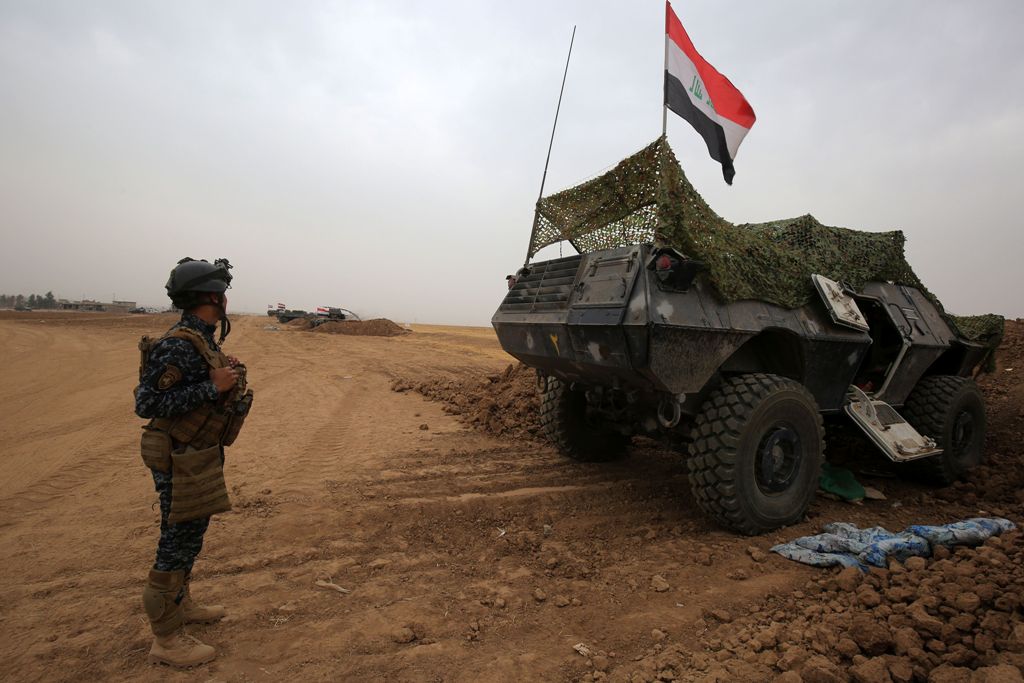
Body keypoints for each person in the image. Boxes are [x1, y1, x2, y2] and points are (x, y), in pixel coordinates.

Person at [134, 257, 253, 668]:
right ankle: (166, 639)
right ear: (210, 296)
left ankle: (181, 604)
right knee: (176, 539)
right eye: (222, 291)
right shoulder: (179, 343)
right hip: (179, 458)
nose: (226, 298)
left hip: (197, 454)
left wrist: (224, 372)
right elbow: (147, 403)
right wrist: (210, 386)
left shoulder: (200, 339)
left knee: (192, 533)